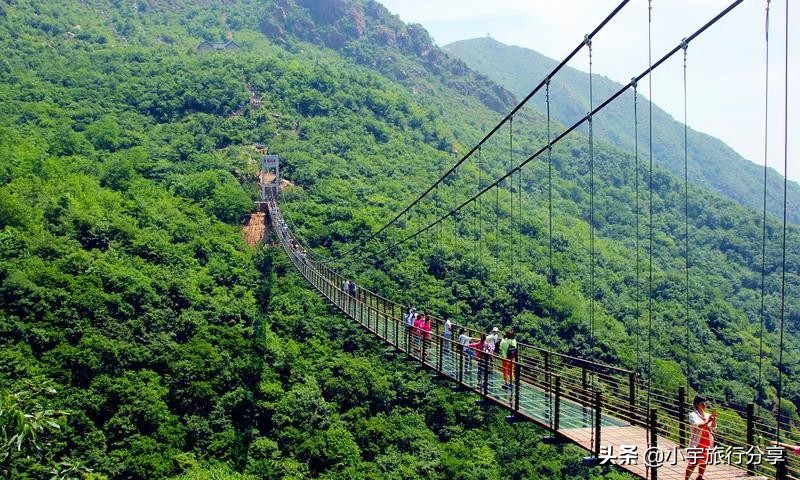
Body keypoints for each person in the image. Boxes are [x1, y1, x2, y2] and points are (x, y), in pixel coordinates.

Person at [685, 395, 717, 480]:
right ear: (696, 404)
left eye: (705, 403)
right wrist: (709, 420)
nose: (704, 405)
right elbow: (699, 426)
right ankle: (686, 478)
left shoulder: (707, 415)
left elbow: (713, 427)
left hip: (707, 441)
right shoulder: (693, 415)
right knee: (693, 462)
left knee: (704, 461)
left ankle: (700, 477)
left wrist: (713, 420)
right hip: (697, 441)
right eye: (702, 403)